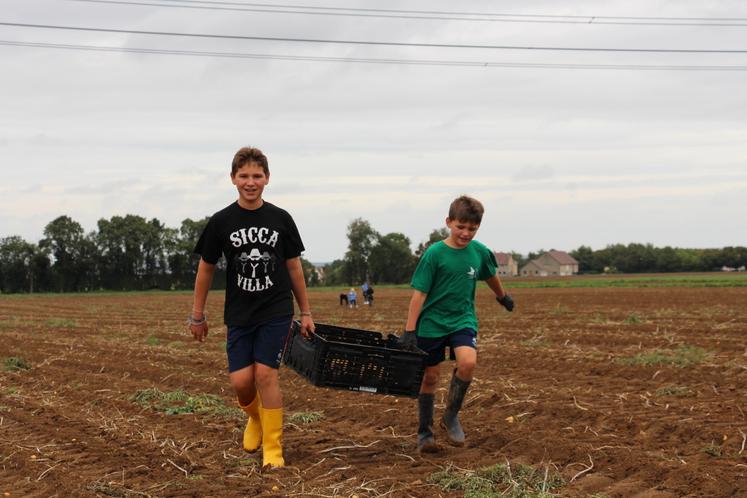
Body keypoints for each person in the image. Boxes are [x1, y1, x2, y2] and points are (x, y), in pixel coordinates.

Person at [187, 146, 315, 469]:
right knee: (241, 382)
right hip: (240, 314)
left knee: (266, 375)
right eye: (244, 175)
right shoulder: (221, 222)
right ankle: (255, 417)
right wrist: (197, 315)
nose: (250, 181)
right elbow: (205, 268)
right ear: (233, 179)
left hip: (276, 310)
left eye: (257, 175)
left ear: (267, 179)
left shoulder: (281, 219)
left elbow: (294, 267)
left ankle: (273, 448)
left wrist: (306, 312)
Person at [400, 195, 514, 453]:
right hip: (431, 323)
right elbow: (419, 294)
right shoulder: (434, 254)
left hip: (462, 319)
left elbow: (490, 274)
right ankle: (425, 434)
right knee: (429, 378)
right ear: (448, 222)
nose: (465, 233)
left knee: (468, 362)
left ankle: (451, 415)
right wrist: (410, 331)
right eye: (460, 227)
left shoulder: (480, 252)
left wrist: (502, 296)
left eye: (471, 229)